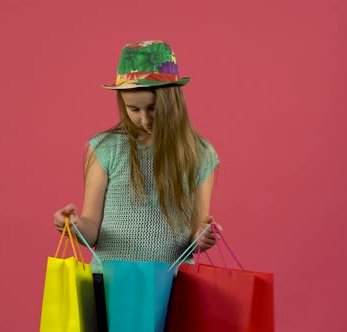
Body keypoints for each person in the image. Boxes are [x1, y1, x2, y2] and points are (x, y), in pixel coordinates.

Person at [52, 40, 221, 330]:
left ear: (172, 101)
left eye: (153, 108)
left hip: (171, 287)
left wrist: (204, 237)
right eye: (133, 109)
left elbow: (195, 235)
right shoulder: (105, 148)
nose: (144, 119)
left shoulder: (200, 154)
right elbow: (92, 228)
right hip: (110, 285)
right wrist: (74, 226)